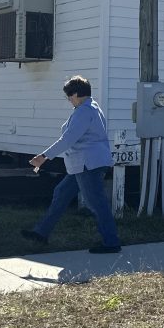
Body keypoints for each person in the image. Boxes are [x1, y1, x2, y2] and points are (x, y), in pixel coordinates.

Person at [21, 76, 122, 254]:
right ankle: (41, 233)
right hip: (84, 164)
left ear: (76, 93)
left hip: (88, 165)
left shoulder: (84, 111)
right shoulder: (92, 107)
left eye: (69, 96)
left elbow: (67, 139)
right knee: (61, 193)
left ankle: (111, 242)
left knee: (96, 203)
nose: (68, 99)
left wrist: (44, 157)